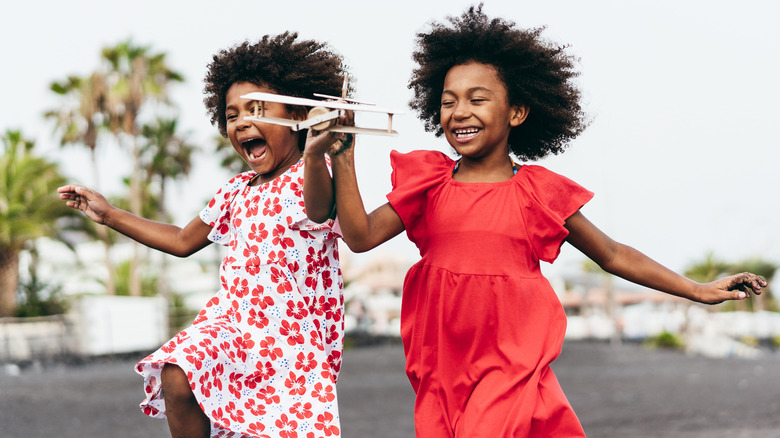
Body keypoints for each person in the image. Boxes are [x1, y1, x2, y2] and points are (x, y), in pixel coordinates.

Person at [304, 6, 768, 437]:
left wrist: (698, 289)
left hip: (512, 359)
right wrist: (343, 159)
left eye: (477, 99)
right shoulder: (429, 183)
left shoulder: (539, 193)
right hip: (442, 360)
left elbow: (612, 254)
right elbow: (360, 237)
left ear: (517, 112)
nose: (459, 112)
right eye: (448, 102)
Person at [59, 32, 351, 438]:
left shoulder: (311, 174)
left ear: (298, 116)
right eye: (233, 115)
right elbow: (181, 241)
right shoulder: (235, 190)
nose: (243, 121)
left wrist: (318, 151)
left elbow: (319, 208)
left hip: (291, 346)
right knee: (178, 371)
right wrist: (110, 215)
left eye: (258, 110)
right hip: (235, 328)